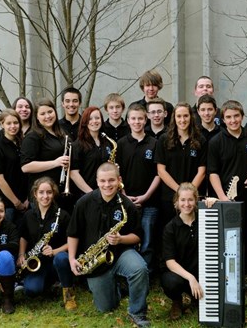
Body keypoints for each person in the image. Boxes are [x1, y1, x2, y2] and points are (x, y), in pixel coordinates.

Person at [68, 162, 150, 327]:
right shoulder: (84, 202)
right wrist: (71, 259)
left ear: (119, 180)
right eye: (103, 181)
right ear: (97, 181)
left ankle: (137, 311)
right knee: (106, 307)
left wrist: (121, 239)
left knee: (139, 268)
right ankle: (117, 290)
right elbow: (73, 233)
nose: (107, 185)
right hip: (96, 260)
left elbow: (138, 236)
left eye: (111, 180)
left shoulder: (127, 205)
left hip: (120, 253)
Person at [208, 100, 247, 258]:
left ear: (242, 116)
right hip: (226, 198)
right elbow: (213, 172)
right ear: (223, 119)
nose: (233, 120)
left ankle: (246, 268)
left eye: (236, 116)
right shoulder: (216, 142)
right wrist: (223, 198)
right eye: (229, 117)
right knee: (228, 236)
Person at [160, 183, 216, 320]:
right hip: (181, 275)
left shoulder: (205, 218)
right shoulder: (170, 228)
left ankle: (195, 298)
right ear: (176, 202)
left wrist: (216, 202)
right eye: (183, 200)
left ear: (196, 200)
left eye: (190, 200)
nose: (187, 204)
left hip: (203, 272)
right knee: (170, 281)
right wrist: (191, 278)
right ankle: (177, 301)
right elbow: (170, 262)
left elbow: (225, 213)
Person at [19, 177, 75, 310]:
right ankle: (50, 284)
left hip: (57, 261)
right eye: (41, 192)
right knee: (31, 290)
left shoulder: (62, 215)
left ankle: (68, 294)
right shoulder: (28, 216)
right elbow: (24, 236)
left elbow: (72, 241)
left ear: (53, 193)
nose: (45, 196)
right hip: (38, 263)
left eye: (49, 192)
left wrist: (55, 251)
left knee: (61, 258)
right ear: (35, 194)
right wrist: (21, 254)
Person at [116, 103, 160, 272]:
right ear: (128, 121)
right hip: (125, 200)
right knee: (130, 238)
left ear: (146, 119)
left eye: (140, 118)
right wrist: (124, 195)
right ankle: (131, 273)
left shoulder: (154, 143)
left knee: (148, 239)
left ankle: (146, 273)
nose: (137, 122)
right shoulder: (121, 143)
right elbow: (117, 173)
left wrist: (146, 196)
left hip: (149, 201)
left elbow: (159, 173)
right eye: (133, 118)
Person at [155, 102, 207, 229]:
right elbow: (161, 171)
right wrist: (180, 192)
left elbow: (202, 171)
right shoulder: (164, 139)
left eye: (185, 116)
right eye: (179, 116)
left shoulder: (200, 140)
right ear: (174, 118)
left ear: (191, 117)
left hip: (192, 199)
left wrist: (189, 194)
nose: (182, 120)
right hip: (169, 198)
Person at [20, 98, 70, 208]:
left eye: (50, 112)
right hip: (43, 195)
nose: (47, 116)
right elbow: (26, 167)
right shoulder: (32, 137)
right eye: (42, 114)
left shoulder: (61, 133)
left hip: (60, 192)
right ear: (36, 117)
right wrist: (56, 163)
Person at [0, 109, 29, 225]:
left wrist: (27, 198)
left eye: (16, 123)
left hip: (24, 202)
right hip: (7, 205)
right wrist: (16, 202)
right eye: (8, 123)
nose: (13, 126)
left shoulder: (22, 143)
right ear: (2, 124)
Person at [70, 106, 113, 198]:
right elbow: (73, 173)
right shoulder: (78, 144)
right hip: (86, 194)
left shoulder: (107, 142)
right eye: (90, 119)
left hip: (107, 192)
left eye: (97, 118)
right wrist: (91, 193)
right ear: (85, 122)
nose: (94, 121)